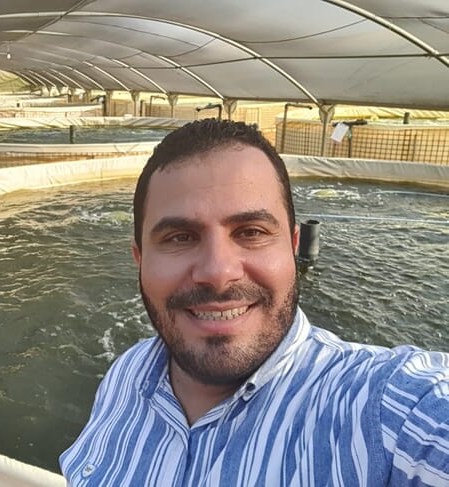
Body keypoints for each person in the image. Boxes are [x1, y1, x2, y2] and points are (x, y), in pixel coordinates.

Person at [59, 119, 449, 486]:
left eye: (251, 232)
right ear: (139, 259)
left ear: (294, 247)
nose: (217, 271)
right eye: (179, 237)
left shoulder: (389, 408)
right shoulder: (126, 376)